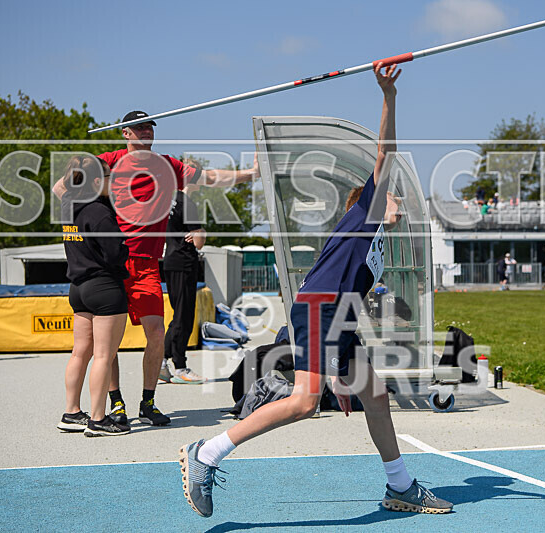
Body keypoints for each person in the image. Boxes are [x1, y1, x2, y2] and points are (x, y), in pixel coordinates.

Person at [177, 64, 453, 518]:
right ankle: (205, 454)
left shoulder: (376, 247)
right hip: (322, 309)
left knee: (374, 390)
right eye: (392, 194)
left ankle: (400, 487)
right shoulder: (366, 211)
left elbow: (352, 301)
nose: (398, 199)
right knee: (304, 402)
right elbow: (387, 152)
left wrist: (344, 360)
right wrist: (389, 94)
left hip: (336, 316)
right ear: (371, 197)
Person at [53, 111, 258, 427]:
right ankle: (115, 404)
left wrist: (251, 174)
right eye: (138, 128)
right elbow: (60, 188)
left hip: (147, 266)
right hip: (113, 264)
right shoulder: (108, 161)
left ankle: (148, 402)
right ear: (125, 133)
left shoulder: (168, 166)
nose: (146, 132)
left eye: (149, 127)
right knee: (107, 344)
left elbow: (210, 177)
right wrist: (94, 208)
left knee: (156, 333)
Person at [57, 156, 131, 436]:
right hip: (103, 288)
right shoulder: (99, 212)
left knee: (80, 353)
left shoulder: (68, 206)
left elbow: (63, 186)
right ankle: (99, 419)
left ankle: (71, 412)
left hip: (77, 288)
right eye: (110, 178)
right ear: (98, 182)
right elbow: (115, 253)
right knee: (103, 355)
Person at [159, 181, 207, 384]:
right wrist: (202, 232)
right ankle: (179, 366)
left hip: (170, 260)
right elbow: (198, 241)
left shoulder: (165, 201)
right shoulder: (186, 202)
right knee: (184, 316)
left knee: (178, 314)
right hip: (184, 262)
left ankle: (161, 361)